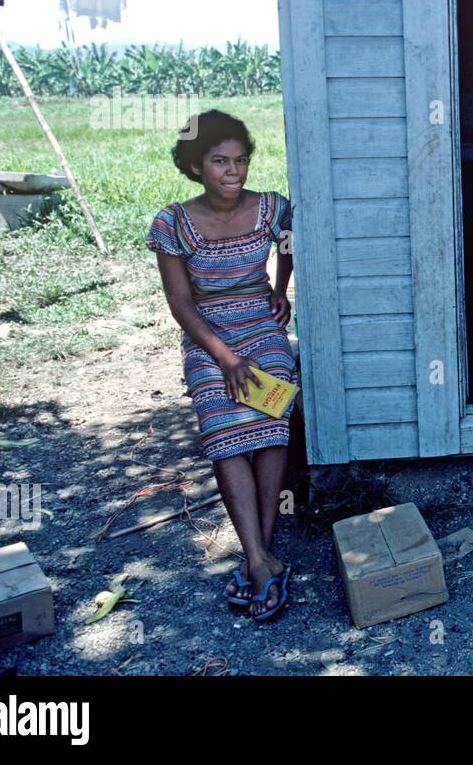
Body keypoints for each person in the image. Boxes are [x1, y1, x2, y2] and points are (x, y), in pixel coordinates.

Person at [146, 110, 296, 620]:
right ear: (195, 164)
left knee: (272, 420)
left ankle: (259, 558)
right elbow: (180, 303)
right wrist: (225, 358)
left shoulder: (272, 208)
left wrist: (279, 290)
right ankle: (261, 560)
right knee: (222, 425)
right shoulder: (173, 222)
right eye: (219, 161)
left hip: (261, 324)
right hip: (209, 336)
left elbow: (290, 247)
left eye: (241, 160)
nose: (233, 172)